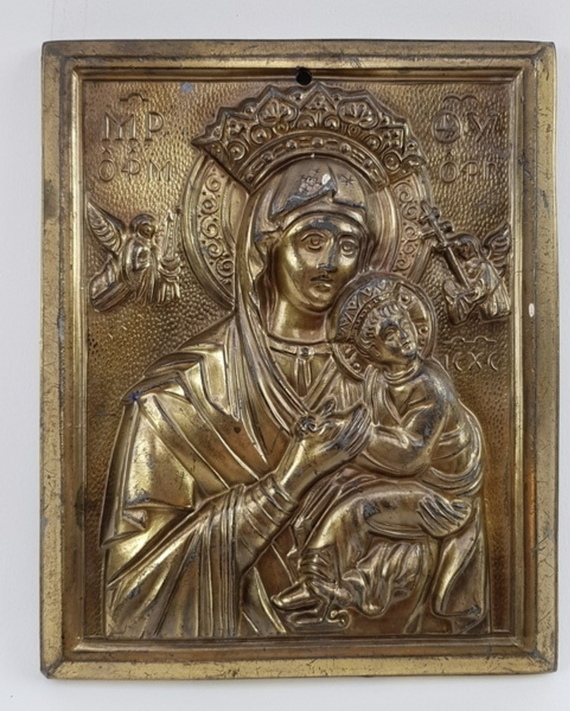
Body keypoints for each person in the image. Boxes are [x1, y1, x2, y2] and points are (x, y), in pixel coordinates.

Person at [100, 158, 385, 638]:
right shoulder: (179, 396)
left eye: (349, 245)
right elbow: (132, 601)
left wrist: (361, 586)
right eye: (312, 241)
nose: (331, 263)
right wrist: (289, 482)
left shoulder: (389, 381)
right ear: (266, 249)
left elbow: (443, 511)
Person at [273, 276, 488, 634]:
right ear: (372, 351)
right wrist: (327, 426)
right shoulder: (378, 379)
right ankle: (313, 575)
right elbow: (365, 422)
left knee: (356, 510)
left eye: (403, 324)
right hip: (405, 479)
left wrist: (350, 438)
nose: (403, 335)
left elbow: (410, 455)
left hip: (444, 497)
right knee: (330, 485)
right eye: (389, 334)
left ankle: (318, 585)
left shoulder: (430, 387)